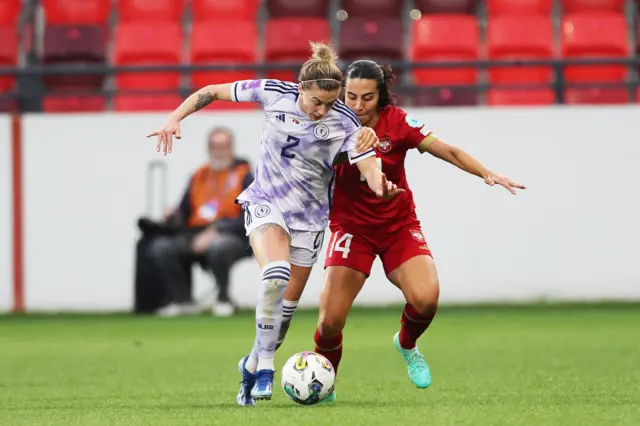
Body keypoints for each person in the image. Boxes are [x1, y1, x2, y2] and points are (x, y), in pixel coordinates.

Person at [147, 44, 404, 407]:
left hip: (310, 220)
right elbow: (211, 91)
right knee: (276, 273)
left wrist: (381, 187)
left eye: (330, 104)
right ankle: (266, 366)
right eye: (317, 102)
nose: (323, 111)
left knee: (281, 319)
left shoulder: (345, 121)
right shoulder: (272, 93)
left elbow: (368, 165)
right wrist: (175, 117)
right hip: (266, 202)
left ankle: (251, 363)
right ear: (301, 89)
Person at [276, 60, 526, 398]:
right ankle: (326, 376)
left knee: (425, 299)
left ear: (381, 97)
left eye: (367, 98)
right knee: (330, 322)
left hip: (397, 225)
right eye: (351, 97)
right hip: (351, 229)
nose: (358, 105)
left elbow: (447, 150)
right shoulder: (327, 124)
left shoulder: (399, 122)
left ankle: (406, 343)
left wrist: (486, 172)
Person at [148, 127, 254, 317]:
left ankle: (223, 299)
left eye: (223, 146)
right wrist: (173, 215)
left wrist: (217, 230)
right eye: (214, 146)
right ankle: (183, 301)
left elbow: (250, 215)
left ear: (231, 148)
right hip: (196, 233)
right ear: (209, 148)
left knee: (219, 247)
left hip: (232, 234)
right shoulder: (198, 175)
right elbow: (184, 211)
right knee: (162, 247)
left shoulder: (244, 175)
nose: (219, 151)